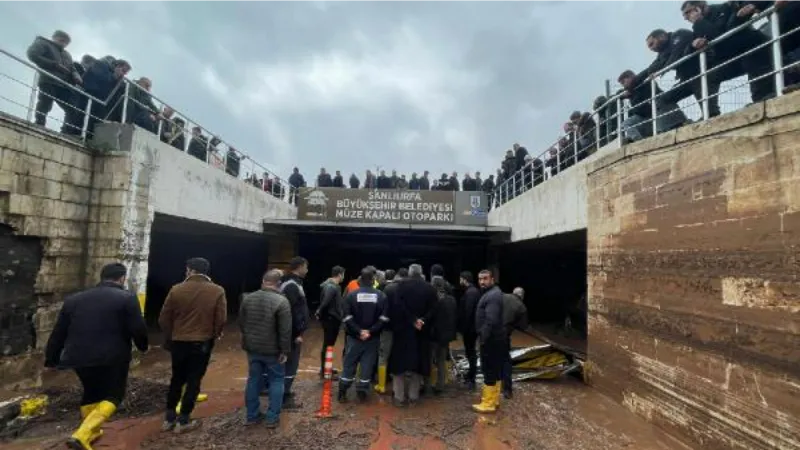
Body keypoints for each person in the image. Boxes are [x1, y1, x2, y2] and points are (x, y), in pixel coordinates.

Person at [45, 263, 148, 449]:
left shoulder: (74, 299)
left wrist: (51, 357)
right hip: (113, 356)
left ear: (101, 277)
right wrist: (143, 346)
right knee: (114, 395)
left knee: (91, 393)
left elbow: (59, 332)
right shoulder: (127, 298)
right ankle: (82, 434)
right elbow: (138, 328)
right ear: (122, 278)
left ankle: (92, 431)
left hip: (78, 356)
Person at [159, 257, 227, 433]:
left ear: (190, 270)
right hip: (202, 342)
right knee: (194, 380)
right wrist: (215, 334)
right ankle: (184, 420)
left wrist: (171, 335)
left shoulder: (176, 289)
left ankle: (168, 419)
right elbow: (221, 319)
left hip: (178, 342)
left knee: (176, 378)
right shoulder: (217, 291)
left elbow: (164, 319)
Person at [239, 269, 292, 428]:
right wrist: (285, 350)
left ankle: (251, 416)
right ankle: (272, 418)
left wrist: (249, 339)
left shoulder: (247, 299)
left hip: (252, 348)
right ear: (279, 284)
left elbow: (241, 324)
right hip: (273, 351)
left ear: (263, 281)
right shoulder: (282, 302)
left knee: (254, 379)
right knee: (276, 380)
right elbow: (285, 330)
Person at [389, 264, 437, 406]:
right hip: (421, 332)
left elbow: (398, 306)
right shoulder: (430, 288)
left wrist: (412, 320)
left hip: (403, 331)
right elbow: (435, 308)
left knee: (399, 364)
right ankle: (413, 397)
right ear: (421, 273)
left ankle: (399, 397)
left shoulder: (401, 286)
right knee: (418, 364)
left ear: (409, 273)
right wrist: (422, 320)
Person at [338, 269, 390, 402]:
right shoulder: (381, 296)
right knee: (367, 365)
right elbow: (383, 318)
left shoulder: (351, 296)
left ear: (359, 281)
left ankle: (343, 392)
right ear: (373, 281)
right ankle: (362, 392)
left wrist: (358, 331)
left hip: (354, 338)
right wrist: (370, 331)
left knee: (349, 364)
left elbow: (347, 317)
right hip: (372, 339)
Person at [26, 30, 82, 132]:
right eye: (61, 40)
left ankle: (67, 130)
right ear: (54, 37)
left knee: (71, 108)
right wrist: (53, 64)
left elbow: (72, 68)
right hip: (48, 79)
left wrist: (76, 76)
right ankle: (39, 123)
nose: (63, 44)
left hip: (63, 84)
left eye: (66, 43)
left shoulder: (67, 54)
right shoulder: (43, 43)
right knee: (45, 103)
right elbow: (32, 54)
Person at [279, 256, 311, 409]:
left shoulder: (292, 282)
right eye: (306, 267)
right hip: (291, 334)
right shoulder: (291, 285)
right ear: (299, 267)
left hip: (291, 332)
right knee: (290, 363)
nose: (307, 270)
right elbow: (291, 311)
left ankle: (284, 391)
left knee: (289, 363)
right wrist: (297, 333)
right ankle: (284, 397)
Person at [472, 269, 505, 414]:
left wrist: (483, 339)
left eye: (485, 279)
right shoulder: (493, 293)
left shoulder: (492, 296)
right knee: (495, 370)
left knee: (489, 369)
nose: (482, 282)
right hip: (496, 339)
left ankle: (488, 403)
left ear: (492, 279)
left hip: (491, 339)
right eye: (480, 279)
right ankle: (494, 400)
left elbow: (491, 320)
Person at [375, 268, 406, 394]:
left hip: (386, 327)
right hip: (400, 327)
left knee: (383, 355)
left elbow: (379, 308)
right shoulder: (403, 288)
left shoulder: (384, 288)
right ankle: (398, 384)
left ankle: (381, 385)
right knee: (398, 355)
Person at [316, 266, 345, 379]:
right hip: (331, 319)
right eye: (343, 274)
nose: (343, 277)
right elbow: (326, 302)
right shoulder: (332, 287)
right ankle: (325, 371)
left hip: (330, 318)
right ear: (339, 274)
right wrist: (319, 311)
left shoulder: (331, 286)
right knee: (328, 345)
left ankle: (326, 367)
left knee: (329, 345)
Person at [430, 277, 458, 394]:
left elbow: (432, 317)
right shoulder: (451, 299)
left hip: (435, 335)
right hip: (446, 335)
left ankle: (431, 383)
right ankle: (441, 383)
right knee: (442, 359)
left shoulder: (435, 299)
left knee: (431, 359)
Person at [500, 287, 529, 399]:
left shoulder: (502, 297)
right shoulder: (521, 307)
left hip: (491, 333)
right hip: (503, 336)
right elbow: (523, 326)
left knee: (493, 360)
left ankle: (493, 388)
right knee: (506, 362)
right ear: (522, 296)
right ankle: (507, 390)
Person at [458, 271, 481, 391]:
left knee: (471, 352)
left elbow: (468, 312)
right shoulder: (472, 291)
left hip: (470, 329)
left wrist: (464, 329)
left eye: (460, 279)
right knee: (470, 352)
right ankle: (471, 375)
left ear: (464, 279)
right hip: (472, 328)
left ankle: (472, 377)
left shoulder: (471, 293)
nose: (459, 281)